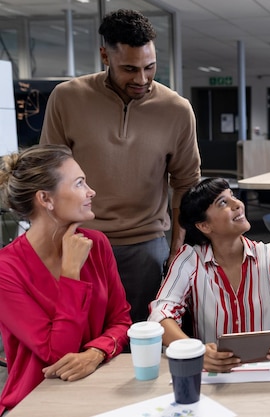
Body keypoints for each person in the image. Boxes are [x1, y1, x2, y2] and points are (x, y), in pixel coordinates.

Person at [40, 9, 201, 324]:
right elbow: (51, 174)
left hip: (148, 245)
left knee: (142, 338)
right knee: (81, 336)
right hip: (81, 240)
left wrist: (177, 249)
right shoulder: (67, 98)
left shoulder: (177, 110)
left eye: (149, 67)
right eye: (129, 69)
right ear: (105, 55)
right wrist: (54, 241)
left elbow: (186, 184)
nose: (141, 79)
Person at [0, 144, 131, 413]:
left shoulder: (97, 244)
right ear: (46, 199)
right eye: (79, 183)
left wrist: (96, 353)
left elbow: (121, 321)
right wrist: (71, 273)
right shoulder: (6, 270)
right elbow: (57, 353)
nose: (90, 191)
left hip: (100, 388)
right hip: (36, 400)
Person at [148, 178, 270, 372]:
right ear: (204, 226)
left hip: (269, 368)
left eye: (232, 196)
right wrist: (195, 351)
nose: (237, 204)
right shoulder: (190, 259)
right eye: (223, 202)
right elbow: (161, 314)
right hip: (216, 374)